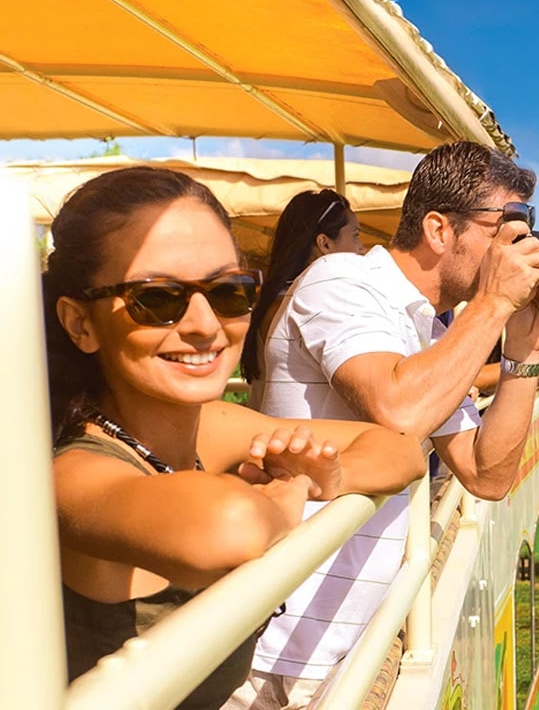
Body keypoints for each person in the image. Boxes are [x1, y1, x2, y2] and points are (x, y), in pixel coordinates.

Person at [43, 167, 427, 710]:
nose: (205, 324)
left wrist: (331, 476)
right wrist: (289, 491)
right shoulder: (73, 471)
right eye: (156, 297)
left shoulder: (211, 423)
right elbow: (231, 524)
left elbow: (399, 449)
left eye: (229, 292)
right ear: (80, 323)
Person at [236, 141, 539, 708]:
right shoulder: (341, 279)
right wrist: (491, 307)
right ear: (439, 229)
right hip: (284, 650)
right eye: (504, 230)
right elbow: (399, 410)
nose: (518, 250)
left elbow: (487, 473)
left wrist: (523, 355)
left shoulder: (433, 333)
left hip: (348, 642)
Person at [241, 190, 364, 407]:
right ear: (325, 244)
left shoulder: (274, 301)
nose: (362, 249)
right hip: (293, 437)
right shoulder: (310, 305)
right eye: (355, 235)